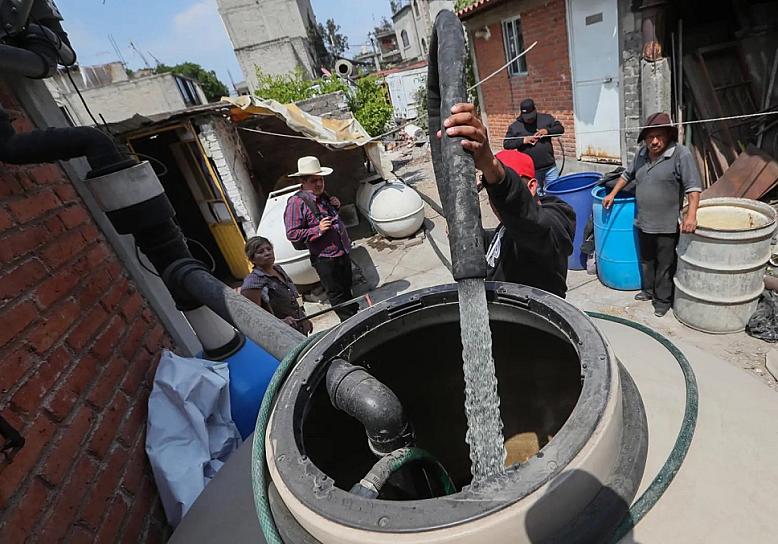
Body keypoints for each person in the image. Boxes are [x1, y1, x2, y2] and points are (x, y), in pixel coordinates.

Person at [439, 103, 576, 298]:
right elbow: (500, 243)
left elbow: (533, 224)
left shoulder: (557, 218)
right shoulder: (508, 225)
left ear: (531, 186)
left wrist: (492, 167)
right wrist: (468, 233)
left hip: (535, 324)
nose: (495, 196)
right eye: (489, 186)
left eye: (498, 185)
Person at [603, 112, 701, 317]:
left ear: (668, 135)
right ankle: (648, 290)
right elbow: (626, 175)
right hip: (643, 221)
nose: (654, 142)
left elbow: (693, 188)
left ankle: (663, 301)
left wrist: (691, 216)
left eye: (659, 136)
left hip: (666, 224)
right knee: (647, 259)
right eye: (649, 137)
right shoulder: (641, 154)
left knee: (665, 264)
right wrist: (612, 193)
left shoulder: (681, 154)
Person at [284, 156, 358, 321]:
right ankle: (349, 321)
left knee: (346, 287)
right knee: (336, 294)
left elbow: (331, 219)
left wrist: (335, 206)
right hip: (325, 258)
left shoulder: (323, 196)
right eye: (313, 180)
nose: (319, 184)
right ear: (303, 181)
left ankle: (354, 313)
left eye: (321, 179)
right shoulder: (297, 202)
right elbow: (292, 233)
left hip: (341, 252)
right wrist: (317, 230)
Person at [240, 236, 312, 335]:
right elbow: (254, 316)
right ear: (252, 259)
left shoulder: (278, 269)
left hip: (299, 328)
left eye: (269, 249)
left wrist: (304, 319)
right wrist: (281, 322)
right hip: (281, 334)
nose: (267, 253)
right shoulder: (253, 283)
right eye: (261, 252)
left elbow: (293, 299)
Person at [503, 98, 565, 191]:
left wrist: (547, 131)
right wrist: (523, 140)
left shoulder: (546, 119)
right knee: (537, 197)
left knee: (555, 192)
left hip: (550, 167)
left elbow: (560, 129)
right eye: (527, 118)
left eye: (531, 117)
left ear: (535, 110)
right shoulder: (515, 126)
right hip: (531, 171)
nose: (529, 120)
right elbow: (506, 144)